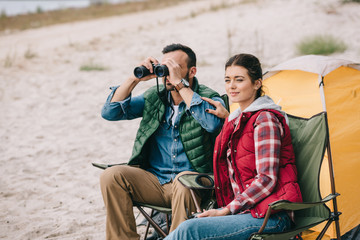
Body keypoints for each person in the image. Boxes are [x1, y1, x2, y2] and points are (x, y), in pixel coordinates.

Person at [164, 53, 303, 240]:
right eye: (227, 80)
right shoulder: (236, 119)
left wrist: (226, 211)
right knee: (190, 226)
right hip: (247, 212)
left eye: (239, 80)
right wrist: (228, 119)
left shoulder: (265, 120)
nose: (232, 86)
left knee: (190, 230)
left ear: (257, 83)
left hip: (272, 216)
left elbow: (266, 179)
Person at [99, 43, 225, 240]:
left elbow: (213, 124)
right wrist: (134, 79)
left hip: (193, 186)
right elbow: (110, 112)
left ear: (192, 71)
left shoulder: (209, 97)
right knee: (112, 176)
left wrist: (180, 85)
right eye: (165, 68)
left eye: (174, 68)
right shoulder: (155, 98)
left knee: (184, 181)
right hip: (156, 181)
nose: (168, 75)